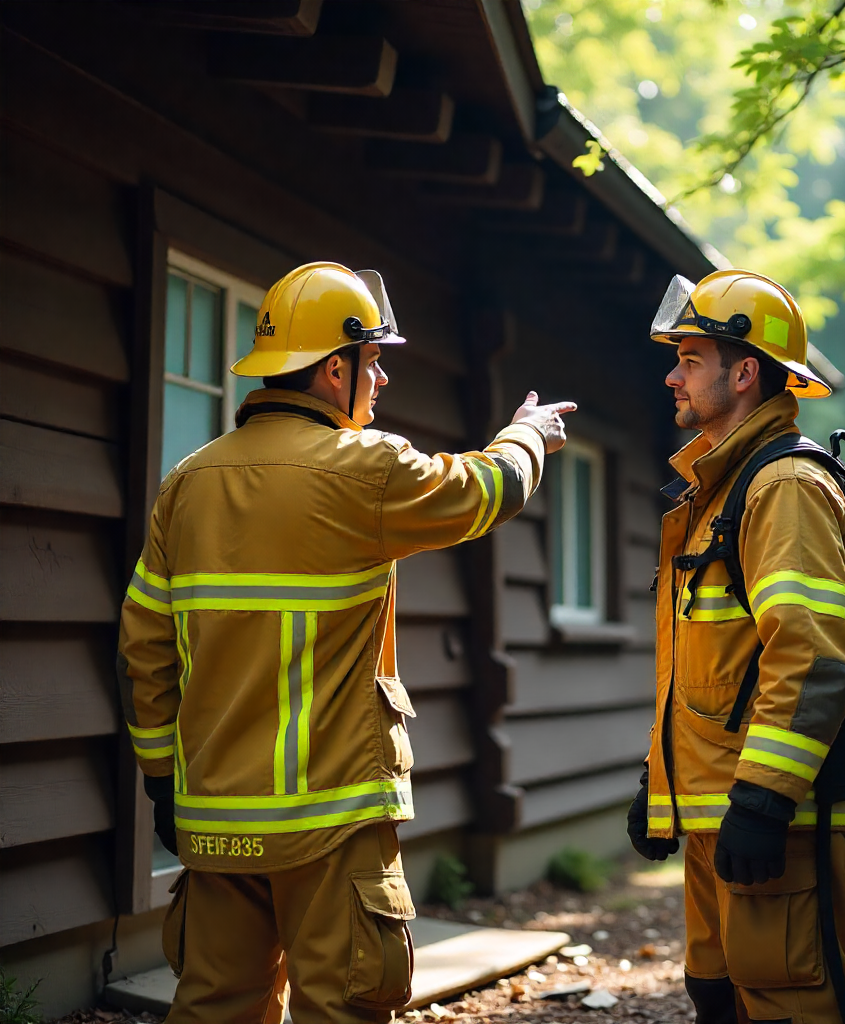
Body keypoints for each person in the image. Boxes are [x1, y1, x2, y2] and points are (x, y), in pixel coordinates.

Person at [117, 262, 576, 1023]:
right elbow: (480, 492)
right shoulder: (364, 469)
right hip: (330, 821)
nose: (383, 378)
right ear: (336, 368)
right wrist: (528, 435)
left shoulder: (186, 483)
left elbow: (145, 648)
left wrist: (163, 781)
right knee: (342, 1008)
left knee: (214, 1009)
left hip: (214, 821)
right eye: (376, 360)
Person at [627, 269, 845, 1024]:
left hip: (784, 814)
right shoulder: (717, 490)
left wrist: (766, 800)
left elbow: (811, 655)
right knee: (720, 996)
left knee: (797, 1004)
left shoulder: (783, 487)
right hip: (723, 810)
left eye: (691, 359)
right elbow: (707, 662)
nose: (672, 376)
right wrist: (661, 784)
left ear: (745, 372)